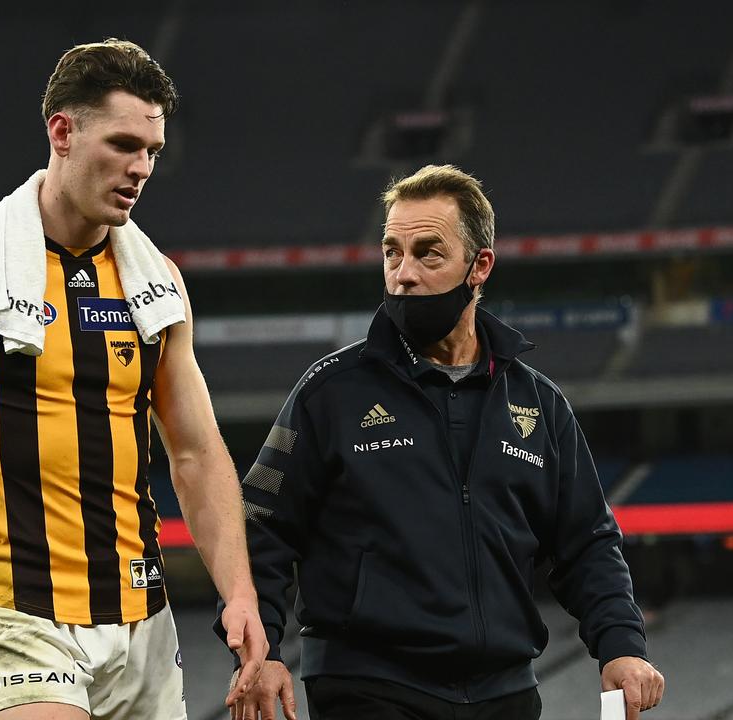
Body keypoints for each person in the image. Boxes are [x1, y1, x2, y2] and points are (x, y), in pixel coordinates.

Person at [0, 39, 266, 720]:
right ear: (62, 132)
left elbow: (196, 454)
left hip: (143, 616)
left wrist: (242, 594)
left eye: (153, 152)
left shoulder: (159, 285)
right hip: (17, 610)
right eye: (122, 144)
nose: (140, 169)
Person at [221, 165, 664, 720]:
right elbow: (260, 528)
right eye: (392, 253)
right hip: (368, 685)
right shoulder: (329, 393)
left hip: (505, 692)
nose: (403, 274)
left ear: (479, 266)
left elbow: (588, 543)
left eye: (428, 253)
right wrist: (258, 653)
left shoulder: (538, 404)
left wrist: (621, 645)